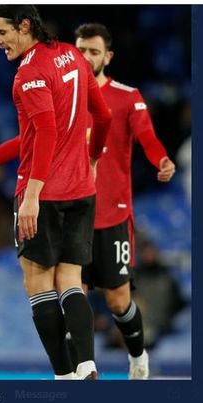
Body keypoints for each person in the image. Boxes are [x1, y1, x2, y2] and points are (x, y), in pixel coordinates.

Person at [0, 5, 112, 380]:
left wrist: (32, 195)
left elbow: (45, 134)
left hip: (44, 195)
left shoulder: (29, 74)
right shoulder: (72, 55)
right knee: (70, 281)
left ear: (25, 26)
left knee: (37, 285)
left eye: (2, 32)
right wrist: (93, 159)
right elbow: (102, 117)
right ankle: (87, 367)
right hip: (82, 190)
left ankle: (64, 376)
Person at [74, 23, 176, 380]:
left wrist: (160, 160)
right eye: (81, 50)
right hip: (72, 214)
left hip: (112, 214)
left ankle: (138, 356)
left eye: (94, 52)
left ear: (108, 56)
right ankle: (80, 373)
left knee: (118, 301)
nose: (86, 58)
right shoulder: (61, 98)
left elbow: (147, 136)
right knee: (75, 296)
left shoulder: (127, 96)